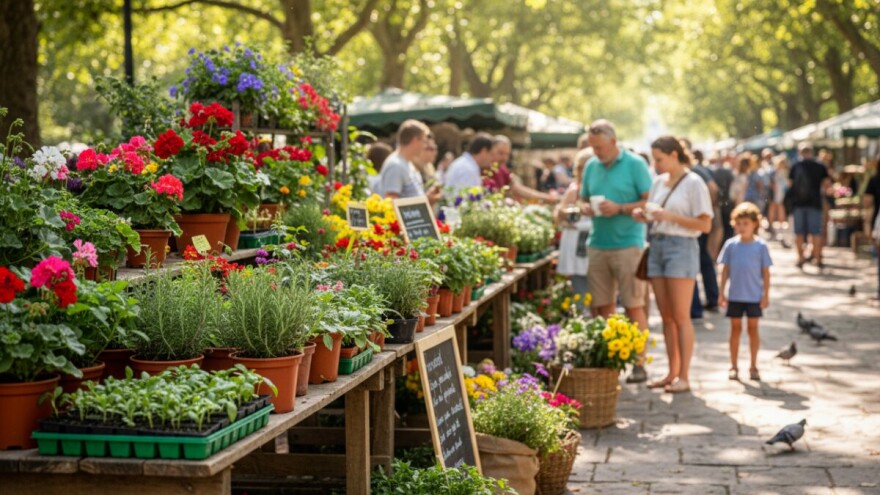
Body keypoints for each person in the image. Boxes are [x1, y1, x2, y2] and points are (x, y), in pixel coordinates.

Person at [632, 136, 713, 393]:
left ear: (674, 155)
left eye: (659, 159)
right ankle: (672, 372)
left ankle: (685, 376)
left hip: (681, 247)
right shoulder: (658, 182)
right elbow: (655, 212)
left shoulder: (694, 182)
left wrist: (670, 217)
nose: (655, 164)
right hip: (657, 245)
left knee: (681, 316)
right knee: (666, 317)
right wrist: (642, 215)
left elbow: (705, 224)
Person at [580, 119, 652, 383]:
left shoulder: (635, 164)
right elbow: (584, 198)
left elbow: (649, 200)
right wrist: (587, 207)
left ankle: (639, 362)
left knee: (634, 305)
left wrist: (620, 208)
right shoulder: (590, 165)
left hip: (628, 244)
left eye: (599, 147)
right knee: (602, 306)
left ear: (613, 141)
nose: (596, 152)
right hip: (598, 243)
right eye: (592, 147)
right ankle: (611, 361)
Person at [717, 202, 773, 382]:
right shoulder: (730, 245)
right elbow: (725, 270)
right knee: (735, 329)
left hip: (753, 296)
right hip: (735, 295)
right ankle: (733, 365)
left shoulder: (761, 246)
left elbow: (765, 272)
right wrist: (721, 292)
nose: (742, 227)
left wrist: (765, 294)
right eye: (738, 223)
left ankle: (753, 365)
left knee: (753, 329)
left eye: (745, 223)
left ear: (755, 224)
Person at [555, 148, 594, 309]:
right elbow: (558, 214)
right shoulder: (575, 190)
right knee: (580, 288)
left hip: (596, 244)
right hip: (577, 245)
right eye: (581, 168)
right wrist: (569, 214)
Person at [686, 148, 720, 317]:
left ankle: (700, 305)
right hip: (697, 223)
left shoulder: (694, 171)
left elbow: (713, 188)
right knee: (703, 259)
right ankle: (710, 299)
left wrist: (706, 209)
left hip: (697, 224)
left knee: (700, 260)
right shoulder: (697, 170)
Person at [788, 142, 831, 269]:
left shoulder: (795, 166)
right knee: (816, 231)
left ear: (800, 152)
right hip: (815, 203)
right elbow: (827, 185)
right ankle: (817, 258)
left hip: (798, 204)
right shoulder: (820, 166)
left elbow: (790, 185)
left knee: (799, 232)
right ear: (812, 152)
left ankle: (801, 258)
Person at [376, 120, 441, 203]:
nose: (425, 146)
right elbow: (390, 204)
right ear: (415, 141)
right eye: (424, 141)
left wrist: (427, 199)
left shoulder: (406, 163)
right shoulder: (395, 166)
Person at [485, 135, 558, 204]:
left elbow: (517, 188)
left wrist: (546, 197)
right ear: (490, 150)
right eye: (500, 153)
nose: (504, 158)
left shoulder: (502, 170)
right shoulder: (482, 169)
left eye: (507, 154)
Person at [443, 133, 495, 198]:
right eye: (491, 154)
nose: (493, 159)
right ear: (484, 151)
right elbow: (468, 202)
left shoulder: (464, 164)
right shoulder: (468, 169)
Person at [768, 155, 789, 239]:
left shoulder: (785, 172)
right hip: (774, 194)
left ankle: (780, 229)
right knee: (773, 209)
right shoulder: (773, 172)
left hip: (781, 194)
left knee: (780, 209)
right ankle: (771, 228)